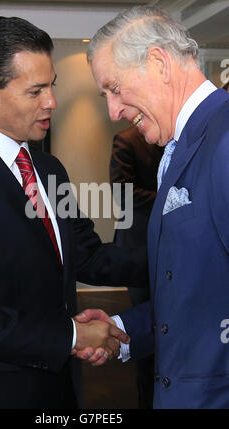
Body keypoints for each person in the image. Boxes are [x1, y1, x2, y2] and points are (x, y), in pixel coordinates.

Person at [0, 16, 149, 409]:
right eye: (36, 91)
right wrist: (70, 337)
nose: (51, 102)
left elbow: (87, 255)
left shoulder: (48, 169)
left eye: (52, 86)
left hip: (59, 391)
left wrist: (178, 258)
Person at [75, 5, 229, 408]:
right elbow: (197, 289)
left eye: (114, 88)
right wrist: (125, 329)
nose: (113, 111)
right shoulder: (175, 151)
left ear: (158, 62)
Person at [110, 126, 163, 408]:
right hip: (139, 246)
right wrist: (173, 196)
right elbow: (122, 191)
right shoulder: (126, 139)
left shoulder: (179, 138)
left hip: (173, 243)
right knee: (145, 335)